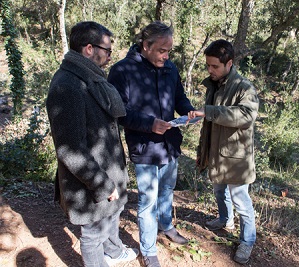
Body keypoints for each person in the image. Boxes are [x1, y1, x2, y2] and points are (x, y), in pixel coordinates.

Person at [46, 21, 138, 267]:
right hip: (90, 184)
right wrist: (102, 185)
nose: (109, 56)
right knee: (93, 235)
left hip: (107, 175)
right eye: (106, 50)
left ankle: (115, 253)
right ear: (88, 49)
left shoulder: (90, 78)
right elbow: (70, 149)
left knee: (110, 220)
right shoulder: (67, 86)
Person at [108, 21, 194, 267]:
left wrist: (188, 113)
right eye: (162, 51)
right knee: (148, 200)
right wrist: (149, 124)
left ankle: (166, 225)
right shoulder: (122, 71)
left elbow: (180, 98)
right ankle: (148, 250)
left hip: (170, 144)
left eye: (169, 52)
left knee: (167, 190)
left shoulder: (170, 68)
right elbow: (118, 111)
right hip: (145, 147)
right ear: (146, 46)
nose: (166, 56)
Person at [188, 39, 259, 264]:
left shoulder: (244, 87)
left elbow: (246, 116)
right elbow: (209, 125)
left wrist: (208, 111)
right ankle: (225, 219)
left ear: (229, 63)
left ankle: (247, 240)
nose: (210, 70)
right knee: (219, 191)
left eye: (215, 66)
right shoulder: (214, 84)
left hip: (236, 158)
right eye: (208, 66)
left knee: (241, 201)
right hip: (216, 153)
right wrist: (202, 150)